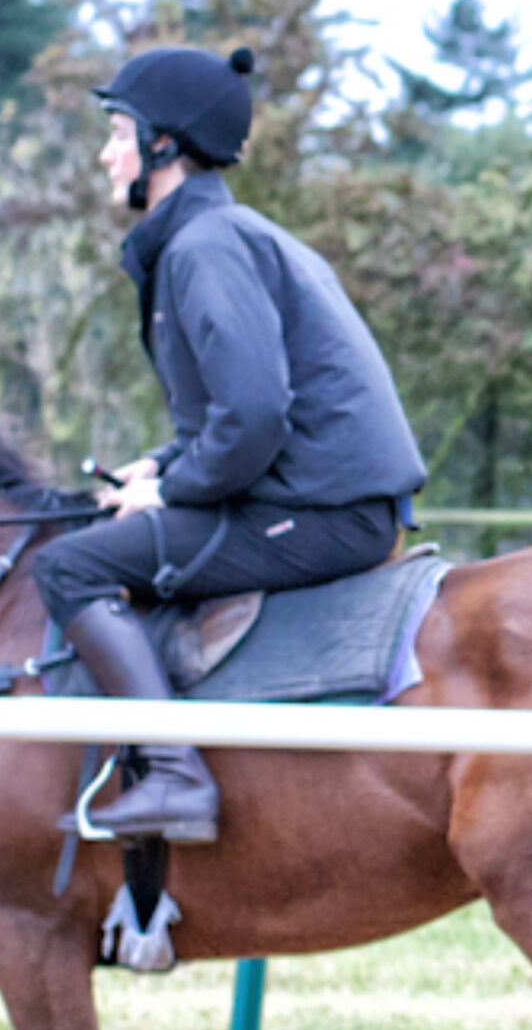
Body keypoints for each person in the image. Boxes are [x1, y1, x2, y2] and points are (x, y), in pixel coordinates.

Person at [29, 44, 428, 844]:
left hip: (322, 514)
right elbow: (239, 411)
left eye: (118, 133)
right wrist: (159, 465)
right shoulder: (215, 235)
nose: (106, 154)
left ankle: (176, 775)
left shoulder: (204, 246)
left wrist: (171, 491)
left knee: (68, 566)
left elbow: (254, 418)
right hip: (315, 498)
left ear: (164, 145)